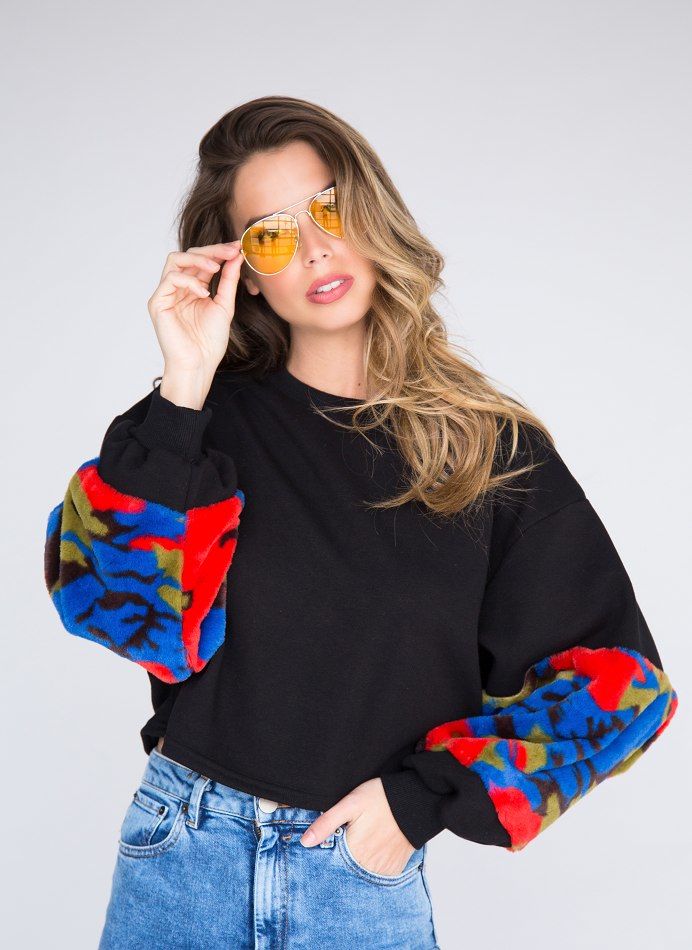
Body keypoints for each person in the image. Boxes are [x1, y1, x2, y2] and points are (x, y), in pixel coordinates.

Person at [44, 95, 678, 949]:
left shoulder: (488, 453)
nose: (313, 248)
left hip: (355, 879)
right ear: (245, 273)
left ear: (373, 211)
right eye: (271, 236)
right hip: (182, 856)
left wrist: (415, 805)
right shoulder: (195, 428)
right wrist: (184, 382)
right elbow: (122, 620)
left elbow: (621, 685)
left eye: (330, 209)